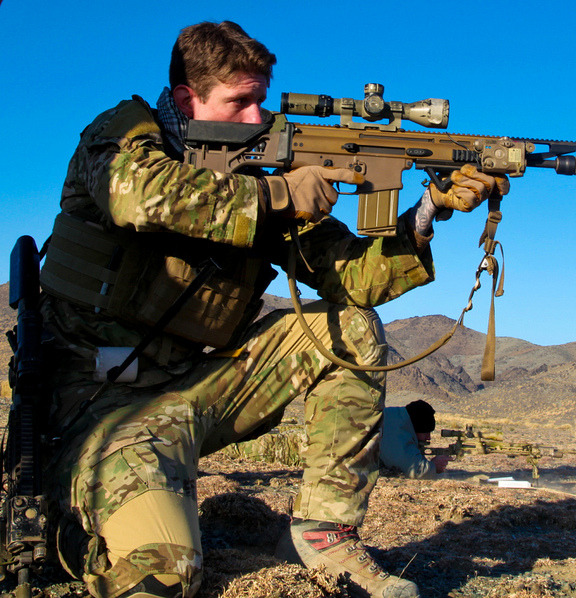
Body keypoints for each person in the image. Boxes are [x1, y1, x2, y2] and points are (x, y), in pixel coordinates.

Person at [35, 21, 508, 598]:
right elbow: (136, 196)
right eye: (241, 101)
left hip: (189, 396)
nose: (259, 117)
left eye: (263, 99)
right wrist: (278, 196)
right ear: (188, 99)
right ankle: (85, 515)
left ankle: (321, 534)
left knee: (349, 330)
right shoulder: (126, 135)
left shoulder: (257, 175)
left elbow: (352, 277)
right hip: (96, 414)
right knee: (165, 577)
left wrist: (427, 212)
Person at [380, 400, 451, 478]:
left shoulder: (396, 417)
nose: (428, 437)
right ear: (415, 427)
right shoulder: (396, 431)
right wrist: (434, 467)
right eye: (425, 433)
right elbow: (414, 469)